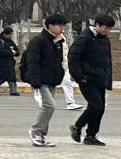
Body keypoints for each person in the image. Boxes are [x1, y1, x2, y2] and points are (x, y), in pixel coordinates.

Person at [20, 15, 67, 148]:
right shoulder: (38, 41)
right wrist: (35, 81)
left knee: (46, 107)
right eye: (60, 26)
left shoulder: (57, 42)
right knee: (49, 106)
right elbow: (32, 62)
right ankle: (36, 131)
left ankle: (41, 135)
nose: (62, 29)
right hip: (40, 81)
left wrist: (59, 76)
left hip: (51, 80)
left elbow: (58, 62)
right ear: (50, 26)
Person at [69, 14, 114, 146]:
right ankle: (77, 126)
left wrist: (107, 79)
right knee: (96, 106)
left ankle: (91, 135)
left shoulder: (104, 40)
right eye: (105, 27)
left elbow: (107, 62)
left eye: (109, 29)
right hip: (87, 79)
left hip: (100, 78)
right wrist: (79, 77)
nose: (107, 30)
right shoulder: (85, 38)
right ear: (97, 25)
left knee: (100, 108)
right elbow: (73, 57)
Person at [0, 27, 20, 96]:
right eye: (9, 34)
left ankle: (13, 91)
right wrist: (11, 53)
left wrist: (16, 53)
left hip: (10, 63)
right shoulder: (1, 41)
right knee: (2, 78)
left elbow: (17, 50)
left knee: (11, 77)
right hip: (2, 63)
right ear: (5, 34)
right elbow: (0, 51)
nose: (11, 36)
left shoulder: (11, 41)